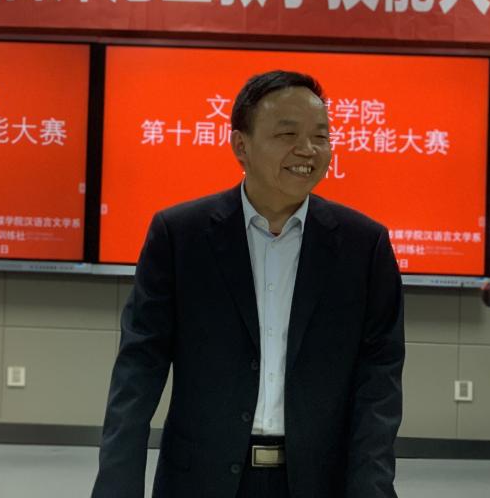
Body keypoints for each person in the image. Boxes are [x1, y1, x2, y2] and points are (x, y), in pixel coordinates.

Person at [91, 70, 405, 498]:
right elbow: (138, 370)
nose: (308, 149)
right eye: (287, 134)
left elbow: (379, 383)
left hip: (319, 481)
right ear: (241, 145)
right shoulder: (181, 236)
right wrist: (116, 486)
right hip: (199, 480)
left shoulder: (364, 246)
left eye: (320, 135)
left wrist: (372, 489)